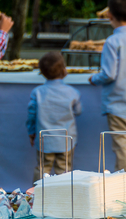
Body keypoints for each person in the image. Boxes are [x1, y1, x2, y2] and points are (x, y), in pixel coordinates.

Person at [89, 0, 126, 171]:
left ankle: (123, 186)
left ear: (109, 16)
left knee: (122, 149)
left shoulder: (112, 42)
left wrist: (94, 79)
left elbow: (109, 73)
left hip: (116, 104)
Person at [26, 52, 82, 182]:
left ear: (42, 72)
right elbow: (78, 111)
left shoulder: (37, 92)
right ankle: (64, 198)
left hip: (45, 140)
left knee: (42, 169)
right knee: (64, 171)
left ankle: (37, 195)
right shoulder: (72, 92)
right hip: (66, 139)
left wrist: (31, 132)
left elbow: (31, 115)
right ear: (64, 70)